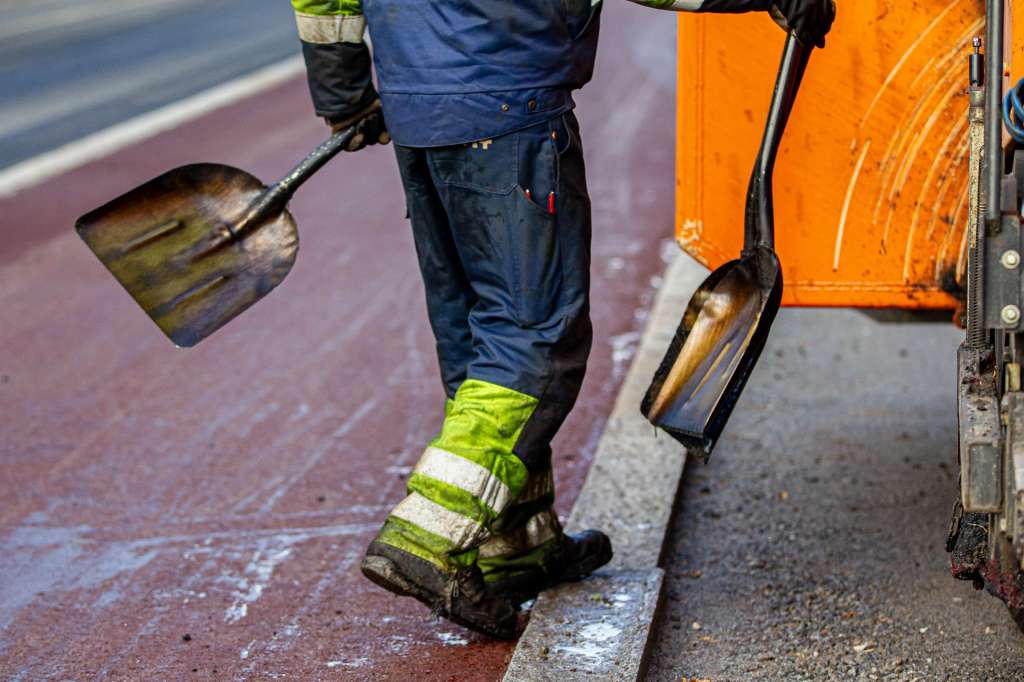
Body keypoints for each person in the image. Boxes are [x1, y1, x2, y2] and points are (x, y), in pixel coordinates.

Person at [289, 0, 835, 639]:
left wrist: (343, 87)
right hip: (506, 101)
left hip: (417, 110)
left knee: (476, 330)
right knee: (535, 337)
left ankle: (514, 543)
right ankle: (427, 533)